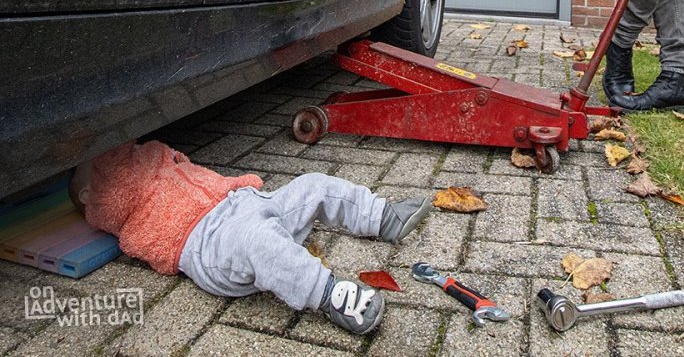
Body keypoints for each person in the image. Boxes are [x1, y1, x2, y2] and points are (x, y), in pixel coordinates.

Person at [70, 140, 430, 335]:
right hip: (210, 240)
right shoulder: (106, 200)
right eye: (95, 165)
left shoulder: (146, 158)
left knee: (313, 184)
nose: (103, 158)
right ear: (89, 194)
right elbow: (110, 157)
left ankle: (383, 217)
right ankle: (329, 295)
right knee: (258, 243)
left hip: (245, 202)